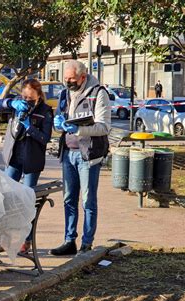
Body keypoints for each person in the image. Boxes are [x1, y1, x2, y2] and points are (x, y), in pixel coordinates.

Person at [49, 60, 111, 256]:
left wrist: (79, 129)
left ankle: (87, 244)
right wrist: (58, 124)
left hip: (88, 155)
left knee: (87, 200)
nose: (68, 83)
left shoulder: (98, 93)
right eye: (65, 79)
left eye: (72, 79)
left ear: (83, 77)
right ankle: (69, 241)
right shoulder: (65, 93)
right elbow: (60, 118)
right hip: (68, 153)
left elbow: (104, 127)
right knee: (68, 199)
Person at [0, 78, 53, 253]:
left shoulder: (45, 111)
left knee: (27, 201)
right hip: (14, 159)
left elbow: (45, 138)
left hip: (32, 162)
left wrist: (30, 128)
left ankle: (27, 240)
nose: (27, 101)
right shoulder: (17, 105)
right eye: (24, 97)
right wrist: (11, 102)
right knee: (6, 199)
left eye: (31, 98)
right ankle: (4, 239)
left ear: (39, 97)